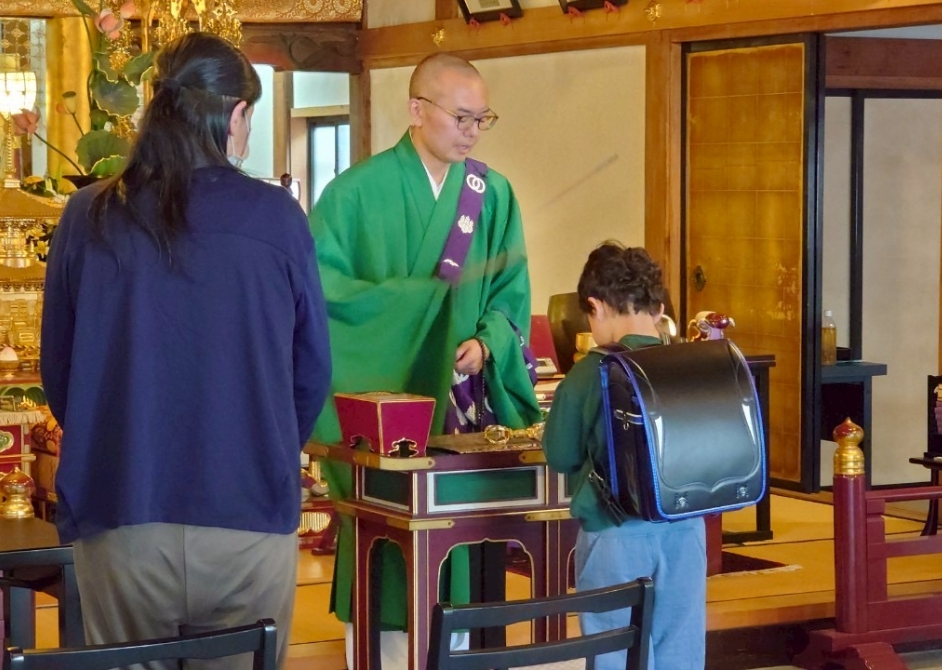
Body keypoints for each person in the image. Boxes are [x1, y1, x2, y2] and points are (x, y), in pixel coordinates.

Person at [41, 32, 331, 670]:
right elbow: (310, 374)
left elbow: (59, 374)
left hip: (121, 506)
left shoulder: (88, 216)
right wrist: (266, 447)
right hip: (246, 512)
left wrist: (115, 436)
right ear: (233, 115)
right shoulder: (277, 218)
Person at [309, 53, 542, 665]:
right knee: (383, 542)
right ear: (416, 110)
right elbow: (321, 300)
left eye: (481, 119)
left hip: (456, 409)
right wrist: (412, 306)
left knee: (454, 552)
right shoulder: (352, 195)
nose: (471, 130)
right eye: (461, 116)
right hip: (384, 410)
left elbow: (511, 294)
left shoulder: (490, 194)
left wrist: (488, 341)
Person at [542, 242, 706, 670]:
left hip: (613, 531)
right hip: (686, 526)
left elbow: (559, 455)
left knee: (614, 648)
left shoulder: (587, 373)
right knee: (680, 647)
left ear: (595, 306)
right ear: (658, 305)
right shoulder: (690, 362)